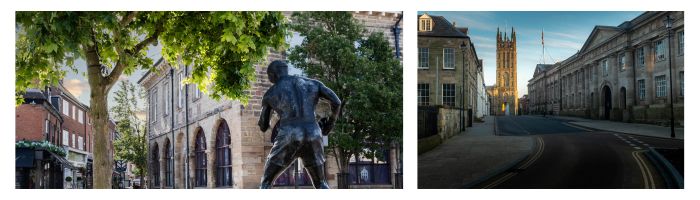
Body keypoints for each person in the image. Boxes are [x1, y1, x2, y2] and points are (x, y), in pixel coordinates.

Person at [258, 60, 341, 189]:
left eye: (269, 77)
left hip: (289, 134)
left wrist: (266, 110)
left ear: (273, 75)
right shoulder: (313, 84)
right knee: (321, 184)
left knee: (266, 183)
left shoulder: (270, 93)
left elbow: (263, 126)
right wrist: (329, 124)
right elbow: (336, 101)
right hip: (313, 132)